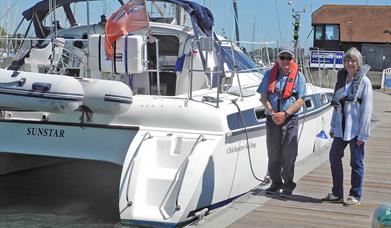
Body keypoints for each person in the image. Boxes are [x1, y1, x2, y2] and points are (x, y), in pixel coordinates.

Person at [321, 47, 373, 206]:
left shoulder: (364, 82)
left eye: (353, 61)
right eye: (347, 60)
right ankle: (337, 192)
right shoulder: (341, 80)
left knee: (356, 162)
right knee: (334, 157)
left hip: (356, 130)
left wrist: (363, 134)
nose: (350, 63)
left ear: (358, 63)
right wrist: (332, 126)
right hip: (340, 129)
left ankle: (355, 194)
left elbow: (367, 110)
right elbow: (337, 106)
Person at [257, 46, 306, 198]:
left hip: (290, 119)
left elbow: (301, 100)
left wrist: (285, 114)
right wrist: (272, 112)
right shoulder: (268, 75)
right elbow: (263, 97)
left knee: (289, 154)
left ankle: (288, 184)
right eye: (282, 57)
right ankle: (275, 182)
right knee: (273, 153)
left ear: (293, 60)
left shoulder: (299, 77)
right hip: (272, 119)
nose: (285, 61)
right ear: (277, 59)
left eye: (288, 58)